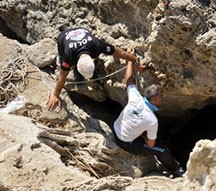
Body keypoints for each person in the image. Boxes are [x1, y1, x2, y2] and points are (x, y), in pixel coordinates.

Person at [113, 46, 184, 178]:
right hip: (125, 142)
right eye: (161, 96)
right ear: (155, 99)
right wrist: (145, 135)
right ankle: (178, 171)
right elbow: (150, 144)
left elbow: (129, 78)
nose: (163, 97)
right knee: (162, 150)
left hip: (116, 129)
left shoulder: (135, 97)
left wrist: (130, 59)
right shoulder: (152, 120)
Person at [46, 27, 143, 111]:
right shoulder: (68, 56)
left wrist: (136, 61)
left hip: (83, 31)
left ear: (93, 60)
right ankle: (78, 76)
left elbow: (118, 52)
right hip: (64, 37)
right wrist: (55, 95)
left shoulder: (97, 45)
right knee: (62, 63)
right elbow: (62, 77)